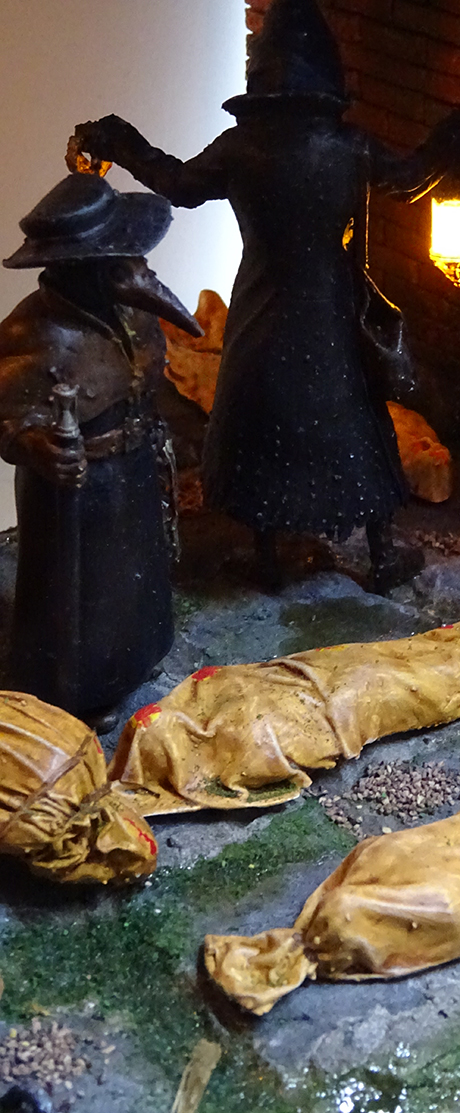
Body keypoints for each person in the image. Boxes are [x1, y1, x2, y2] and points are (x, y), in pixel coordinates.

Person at [71, 0, 460, 591]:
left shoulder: (241, 146)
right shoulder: (348, 145)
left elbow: (178, 184)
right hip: (331, 304)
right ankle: (380, 556)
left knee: (259, 414)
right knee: (354, 418)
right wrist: (456, 132)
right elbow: (409, 177)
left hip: (263, 302)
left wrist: (119, 140)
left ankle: (266, 558)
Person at [0, 171, 201, 726]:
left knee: (135, 578)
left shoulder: (131, 316)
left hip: (132, 471)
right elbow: (6, 415)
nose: (139, 273)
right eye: (121, 264)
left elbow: (147, 380)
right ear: (84, 268)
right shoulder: (29, 335)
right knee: (85, 593)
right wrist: (36, 444)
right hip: (76, 490)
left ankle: (136, 659)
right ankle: (83, 689)